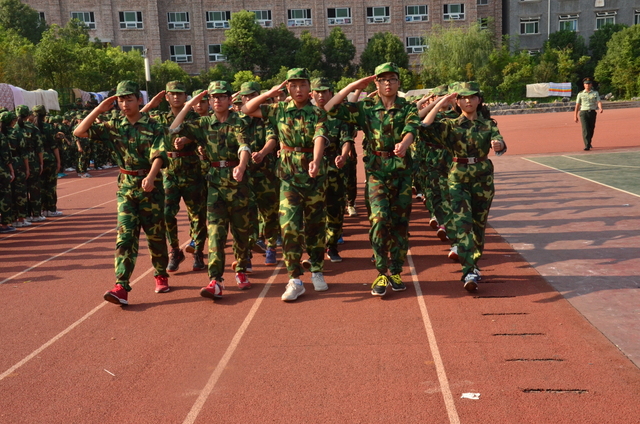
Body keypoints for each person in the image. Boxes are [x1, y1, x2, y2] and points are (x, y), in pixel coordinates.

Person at [324, 62, 419, 297]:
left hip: (402, 172)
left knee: (399, 224)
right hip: (377, 172)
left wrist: (404, 144)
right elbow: (329, 107)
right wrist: (354, 85)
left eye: (392, 79)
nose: (388, 83)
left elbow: (412, 129)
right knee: (378, 220)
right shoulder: (366, 107)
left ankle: (396, 271)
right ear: (376, 83)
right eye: (383, 79)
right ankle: (381, 271)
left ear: (398, 82)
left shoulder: (407, 106)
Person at [73, 80, 170, 305]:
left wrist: (151, 176)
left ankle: (160, 273)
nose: (125, 104)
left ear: (139, 100)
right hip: (126, 188)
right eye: (120, 100)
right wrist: (98, 110)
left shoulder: (154, 126)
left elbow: (159, 154)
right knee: (125, 237)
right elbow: (79, 131)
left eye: (129, 99)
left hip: (150, 187)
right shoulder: (114, 125)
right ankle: (121, 285)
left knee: (155, 236)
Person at [242, 68, 330, 302]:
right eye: (293, 85)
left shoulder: (318, 112)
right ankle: (295, 279)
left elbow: (320, 137)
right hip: (289, 177)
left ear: (309, 87)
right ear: (288, 88)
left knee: (315, 227)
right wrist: (269, 93)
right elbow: (247, 109)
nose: (298, 89)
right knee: (289, 227)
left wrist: (316, 160)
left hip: (314, 177)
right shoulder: (278, 109)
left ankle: (317, 269)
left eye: (302, 85)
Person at [170, 81, 252, 300]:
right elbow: (174, 128)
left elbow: (244, 146)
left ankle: (241, 268)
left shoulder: (240, 121)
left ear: (229, 99)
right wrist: (189, 104)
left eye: (222, 96)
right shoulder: (203, 123)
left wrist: (242, 166)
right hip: (215, 184)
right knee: (215, 232)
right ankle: (216, 280)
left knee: (241, 232)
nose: (217, 100)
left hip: (238, 182)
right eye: (214, 97)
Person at [421, 82, 507, 291]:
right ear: (458, 102)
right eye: (463, 98)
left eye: (472, 97)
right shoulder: (450, 125)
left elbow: (500, 142)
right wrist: (441, 101)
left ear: (479, 100)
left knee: (478, 225)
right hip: (458, 178)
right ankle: (469, 270)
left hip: (482, 178)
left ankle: (473, 263)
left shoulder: (488, 124)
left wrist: (499, 145)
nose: (468, 101)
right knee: (463, 225)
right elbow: (424, 125)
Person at [143, 81, 207, 272]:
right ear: (167, 97)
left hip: (192, 170)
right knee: (167, 213)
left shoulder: (194, 117)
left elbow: (204, 134)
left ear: (186, 96)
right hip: (169, 172)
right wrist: (150, 105)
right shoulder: (161, 117)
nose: (177, 97)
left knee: (197, 214)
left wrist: (188, 139)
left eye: (180, 93)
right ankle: (175, 250)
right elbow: (136, 119)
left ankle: (198, 250)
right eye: (173, 94)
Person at [310, 77, 353, 263]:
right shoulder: (308, 115)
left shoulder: (339, 116)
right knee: (313, 211)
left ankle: (332, 245)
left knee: (335, 209)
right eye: (317, 92)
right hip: (312, 170)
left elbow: (346, 139)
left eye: (325, 91)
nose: (321, 95)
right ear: (312, 94)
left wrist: (343, 156)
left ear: (331, 93)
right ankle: (315, 248)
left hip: (334, 169)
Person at [238, 81, 281, 266]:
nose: (249, 98)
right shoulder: (238, 119)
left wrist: (262, 153)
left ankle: (271, 246)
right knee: (247, 213)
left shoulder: (266, 116)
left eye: (252, 95)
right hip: (246, 174)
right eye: (245, 96)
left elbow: (272, 137)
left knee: (269, 212)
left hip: (266, 173)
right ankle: (250, 247)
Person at [32, 105, 63, 217]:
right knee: (50, 185)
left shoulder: (30, 128)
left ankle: (40, 210)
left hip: (35, 160)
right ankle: (51, 209)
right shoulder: (49, 127)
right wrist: (58, 161)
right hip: (49, 159)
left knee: (39, 186)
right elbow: (54, 146)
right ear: (44, 114)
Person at [14, 105, 44, 223]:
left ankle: (23, 215)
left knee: (20, 190)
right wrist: (41, 163)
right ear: (28, 115)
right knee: (34, 188)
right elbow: (39, 148)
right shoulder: (33, 128)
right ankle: (36, 214)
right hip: (33, 161)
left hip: (17, 162)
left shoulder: (13, 128)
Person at [574, 77, 603, 151]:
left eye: (589, 84)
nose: (587, 85)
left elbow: (598, 101)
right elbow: (577, 105)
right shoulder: (580, 94)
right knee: (585, 129)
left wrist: (600, 108)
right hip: (583, 112)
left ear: (591, 85)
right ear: (584, 85)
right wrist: (575, 116)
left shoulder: (595, 93)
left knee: (591, 129)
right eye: (586, 84)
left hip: (592, 112)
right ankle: (587, 145)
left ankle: (589, 142)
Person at [0, 111, 16, 233]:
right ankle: (4, 225)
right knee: (5, 197)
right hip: (2, 170)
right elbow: (6, 156)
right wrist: (11, 170)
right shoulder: (2, 136)